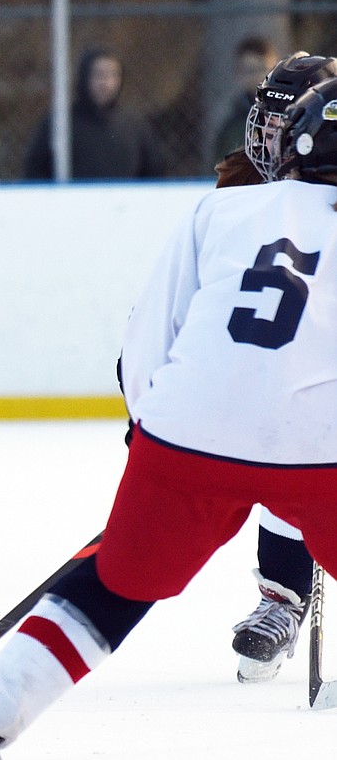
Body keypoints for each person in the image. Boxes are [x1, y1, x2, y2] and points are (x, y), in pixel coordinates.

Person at [0, 74, 337, 760]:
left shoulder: (221, 212)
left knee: (112, 588)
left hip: (186, 434)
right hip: (320, 448)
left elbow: (150, 341)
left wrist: (155, 441)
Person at [219, 52, 337, 684]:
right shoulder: (241, 198)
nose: (263, 137)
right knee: (286, 438)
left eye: (278, 123)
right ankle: (282, 598)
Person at [23, 46, 165, 180]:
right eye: (99, 75)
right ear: (85, 77)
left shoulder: (134, 125)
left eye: (113, 75)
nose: (106, 83)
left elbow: (154, 171)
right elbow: (35, 170)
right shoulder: (61, 122)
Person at [210, 36, 279, 168]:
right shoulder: (233, 129)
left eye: (261, 68)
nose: (256, 76)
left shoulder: (292, 115)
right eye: (249, 70)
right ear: (238, 74)